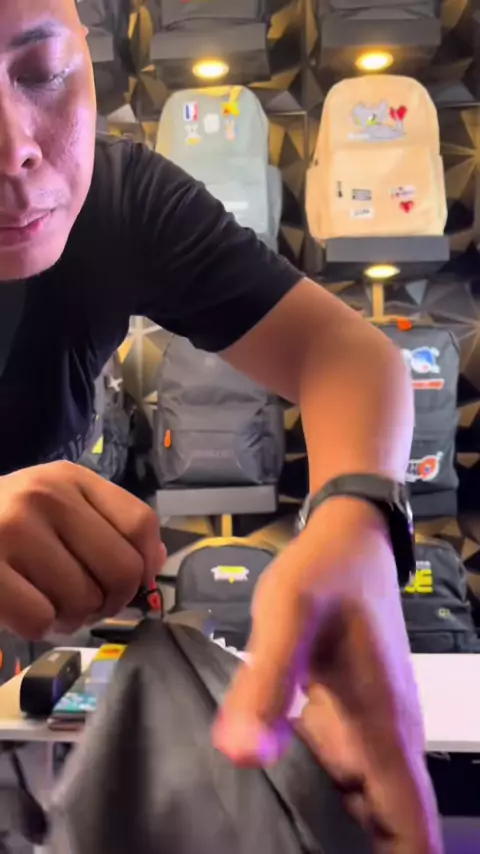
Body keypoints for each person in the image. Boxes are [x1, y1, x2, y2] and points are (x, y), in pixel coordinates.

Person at [0, 1, 442, 851]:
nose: (15, 147)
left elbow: (342, 353)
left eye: (43, 73)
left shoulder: (119, 203)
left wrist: (357, 522)